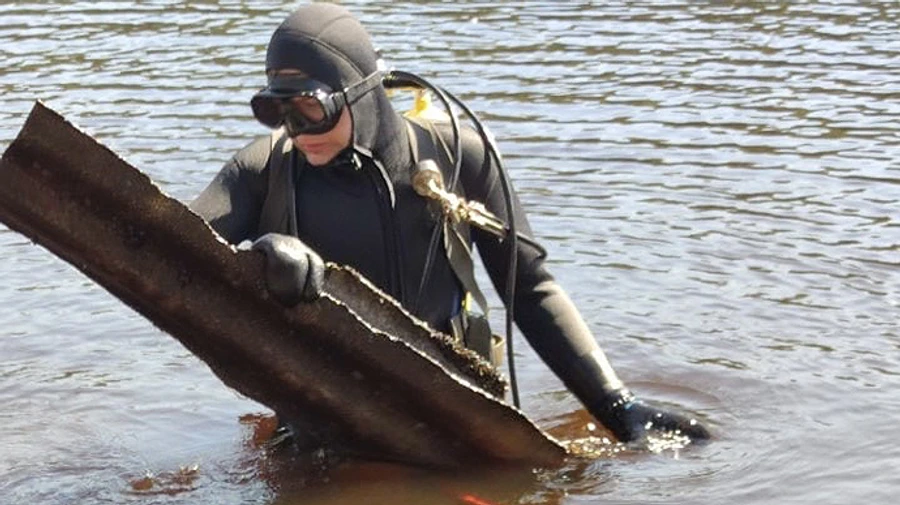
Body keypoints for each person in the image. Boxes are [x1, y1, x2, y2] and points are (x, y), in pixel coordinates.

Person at [190, 3, 710, 448]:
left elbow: (529, 289)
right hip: (324, 417)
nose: (297, 130)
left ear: (363, 92)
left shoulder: (457, 157)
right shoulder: (263, 172)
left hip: (451, 411)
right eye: (277, 111)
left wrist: (618, 408)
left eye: (312, 107)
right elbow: (171, 248)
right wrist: (259, 254)